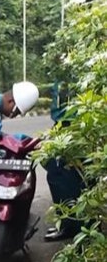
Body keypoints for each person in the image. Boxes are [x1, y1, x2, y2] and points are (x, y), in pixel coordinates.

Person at [42, 81, 88, 242]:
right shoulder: (61, 76)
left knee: (65, 177)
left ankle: (75, 227)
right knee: (61, 174)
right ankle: (72, 224)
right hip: (67, 124)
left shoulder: (67, 76)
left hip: (74, 125)